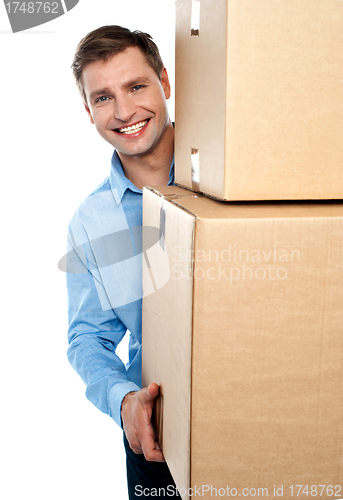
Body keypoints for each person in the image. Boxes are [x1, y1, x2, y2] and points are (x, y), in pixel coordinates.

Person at [66, 25, 179, 498]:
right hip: (156, 437)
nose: (125, 111)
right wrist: (125, 401)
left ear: (165, 83)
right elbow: (87, 336)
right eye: (104, 97)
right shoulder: (91, 221)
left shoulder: (237, 174)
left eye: (136, 86)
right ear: (88, 111)